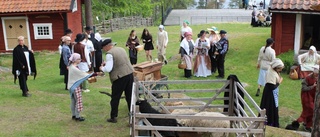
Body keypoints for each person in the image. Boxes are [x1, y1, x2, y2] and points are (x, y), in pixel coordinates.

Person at [100, 39, 134, 123]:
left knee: (115, 98)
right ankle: (132, 117)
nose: (104, 50)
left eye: (103, 48)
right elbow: (119, 62)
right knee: (130, 97)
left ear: (107, 46)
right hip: (129, 74)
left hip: (119, 77)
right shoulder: (121, 49)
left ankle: (113, 117)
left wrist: (102, 68)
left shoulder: (109, 54)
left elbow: (108, 68)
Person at [285, 65, 318, 132]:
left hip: (313, 97)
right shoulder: (307, 78)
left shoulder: (317, 78)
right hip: (306, 96)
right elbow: (304, 88)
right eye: (316, 73)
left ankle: (307, 125)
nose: (316, 75)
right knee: (309, 111)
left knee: (311, 111)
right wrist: (312, 86)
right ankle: (296, 124)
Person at [67, 53, 95, 122]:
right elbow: (84, 75)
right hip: (75, 87)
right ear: (75, 60)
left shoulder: (70, 66)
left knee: (73, 101)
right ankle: (77, 116)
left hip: (71, 86)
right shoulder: (74, 68)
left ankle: (73, 115)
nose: (80, 60)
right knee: (78, 102)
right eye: (79, 59)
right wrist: (95, 74)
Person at [260, 58, 284, 127]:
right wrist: (279, 82)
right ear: (276, 67)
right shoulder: (271, 73)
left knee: (273, 107)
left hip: (271, 92)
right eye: (280, 68)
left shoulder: (273, 70)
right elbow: (272, 86)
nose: (281, 70)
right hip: (270, 94)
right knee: (270, 107)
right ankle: (270, 122)